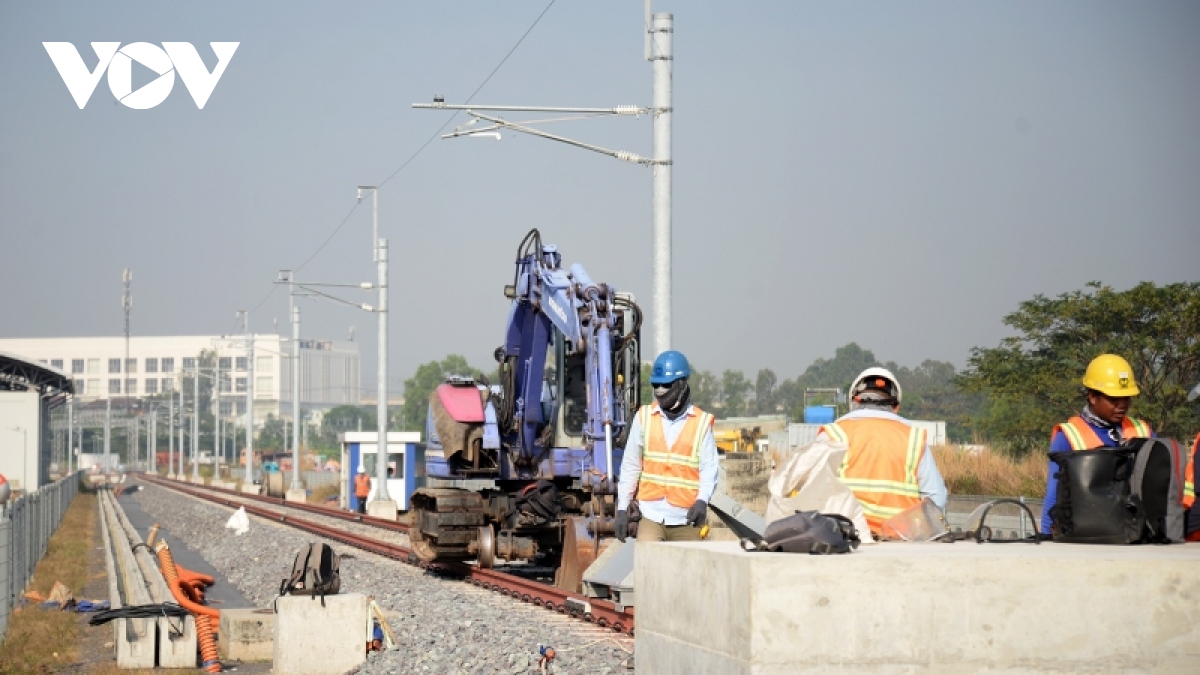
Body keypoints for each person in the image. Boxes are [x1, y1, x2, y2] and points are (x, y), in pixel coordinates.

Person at [815, 367, 948, 537]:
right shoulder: (914, 438)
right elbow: (936, 499)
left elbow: (811, 489)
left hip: (846, 541)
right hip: (900, 544)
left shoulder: (834, 434)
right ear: (895, 407)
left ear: (854, 402)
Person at [1039, 354, 1154, 534]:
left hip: (1138, 538)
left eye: (1126, 398)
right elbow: (1054, 495)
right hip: (1089, 538)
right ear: (1092, 397)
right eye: (1114, 400)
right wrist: (1046, 537)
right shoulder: (1068, 437)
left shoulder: (1143, 431)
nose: (1122, 405)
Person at [614, 350, 719, 543]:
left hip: (686, 519)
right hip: (651, 516)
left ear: (682, 384)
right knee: (648, 568)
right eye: (656, 385)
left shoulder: (701, 422)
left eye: (666, 385)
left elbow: (709, 467)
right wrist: (622, 508)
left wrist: (703, 500)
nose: (660, 390)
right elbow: (631, 466)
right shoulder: (643, 417)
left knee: (687, 572)